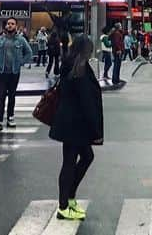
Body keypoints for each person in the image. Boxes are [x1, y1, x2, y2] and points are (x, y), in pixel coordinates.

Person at [50, 35, 104, 222]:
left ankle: (69, 198)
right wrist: (96, 132)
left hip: (70, 123)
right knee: (71, 162)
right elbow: (87, 103)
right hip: (75, 125)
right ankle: (64, 205)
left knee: (81, 159)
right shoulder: (79, 68)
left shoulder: (72, 63)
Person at [0, 18, 33, 130]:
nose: (10, 25)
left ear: (16, 26)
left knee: (12, 96)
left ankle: (10, 117)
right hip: (2, 72)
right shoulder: (0, 40)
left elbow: (29, 53)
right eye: (8, 24)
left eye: (12, 24)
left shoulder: (21, 40)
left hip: (14, 73)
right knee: (1, 95)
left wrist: (21, 63)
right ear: (6, 26)